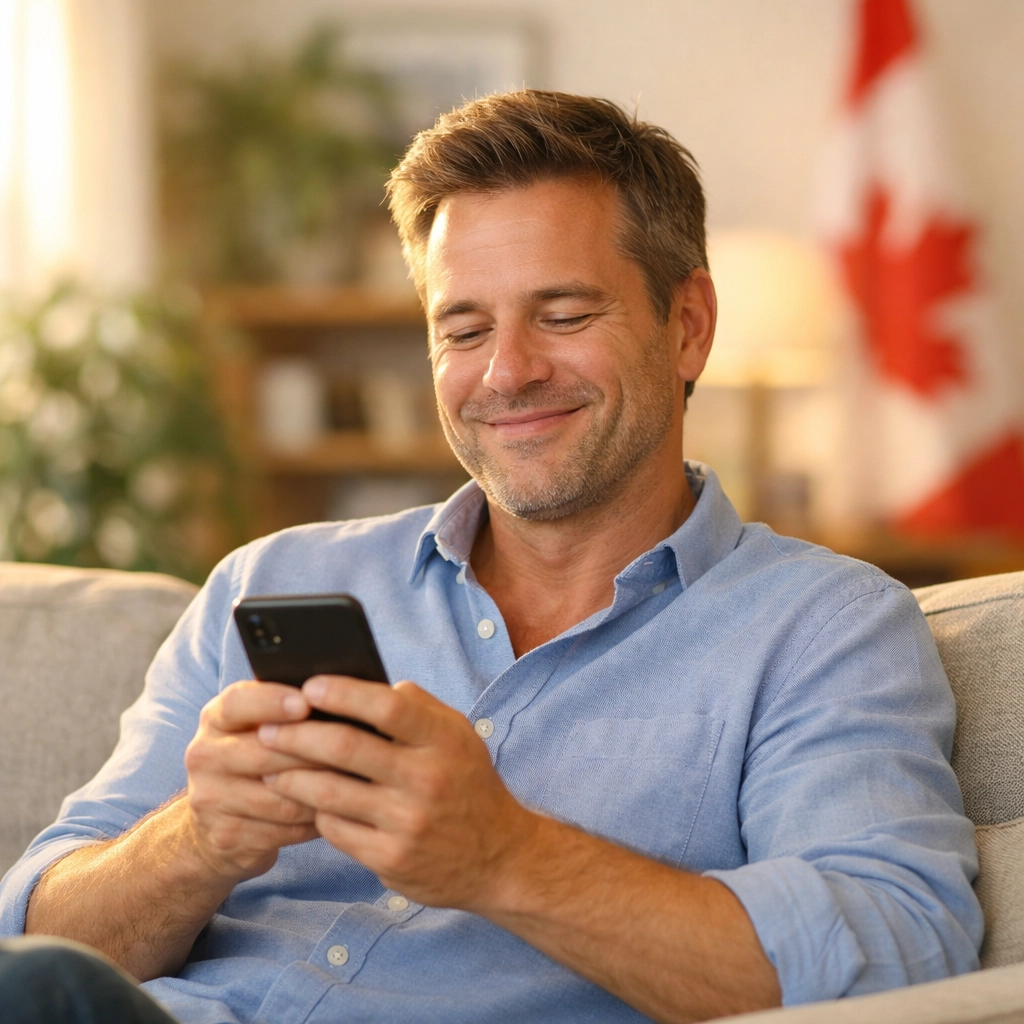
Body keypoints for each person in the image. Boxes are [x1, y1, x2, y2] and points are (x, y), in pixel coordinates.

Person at [0, 90, 982, 1024]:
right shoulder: (270, 580)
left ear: (687, 326)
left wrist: (505, 857)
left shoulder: (823, 626)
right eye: (462, 328)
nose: (506, 372)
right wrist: (196, 840)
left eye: (562, 315)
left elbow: (900, 943)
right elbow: (40, 929)